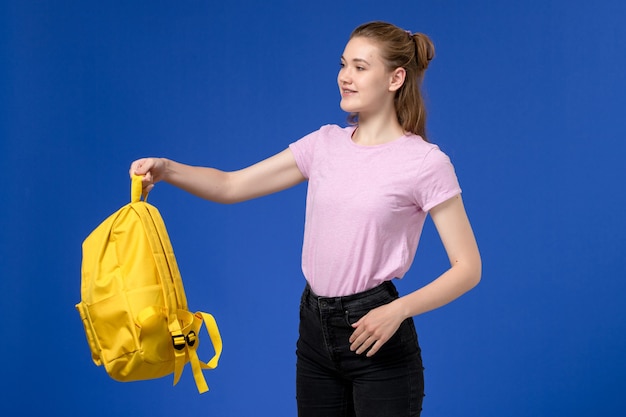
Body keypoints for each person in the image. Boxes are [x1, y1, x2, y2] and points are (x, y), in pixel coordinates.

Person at [130, 20, 481, 417]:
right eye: (343, 64)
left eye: (360, 67)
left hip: (377, 334)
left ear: (395, 78)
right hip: (314, 330)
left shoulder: (424, 163)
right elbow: (231, 186)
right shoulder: (323, 145)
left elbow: (468, 268)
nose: (345, 77)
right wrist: (166, 169)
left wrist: (397, 311)